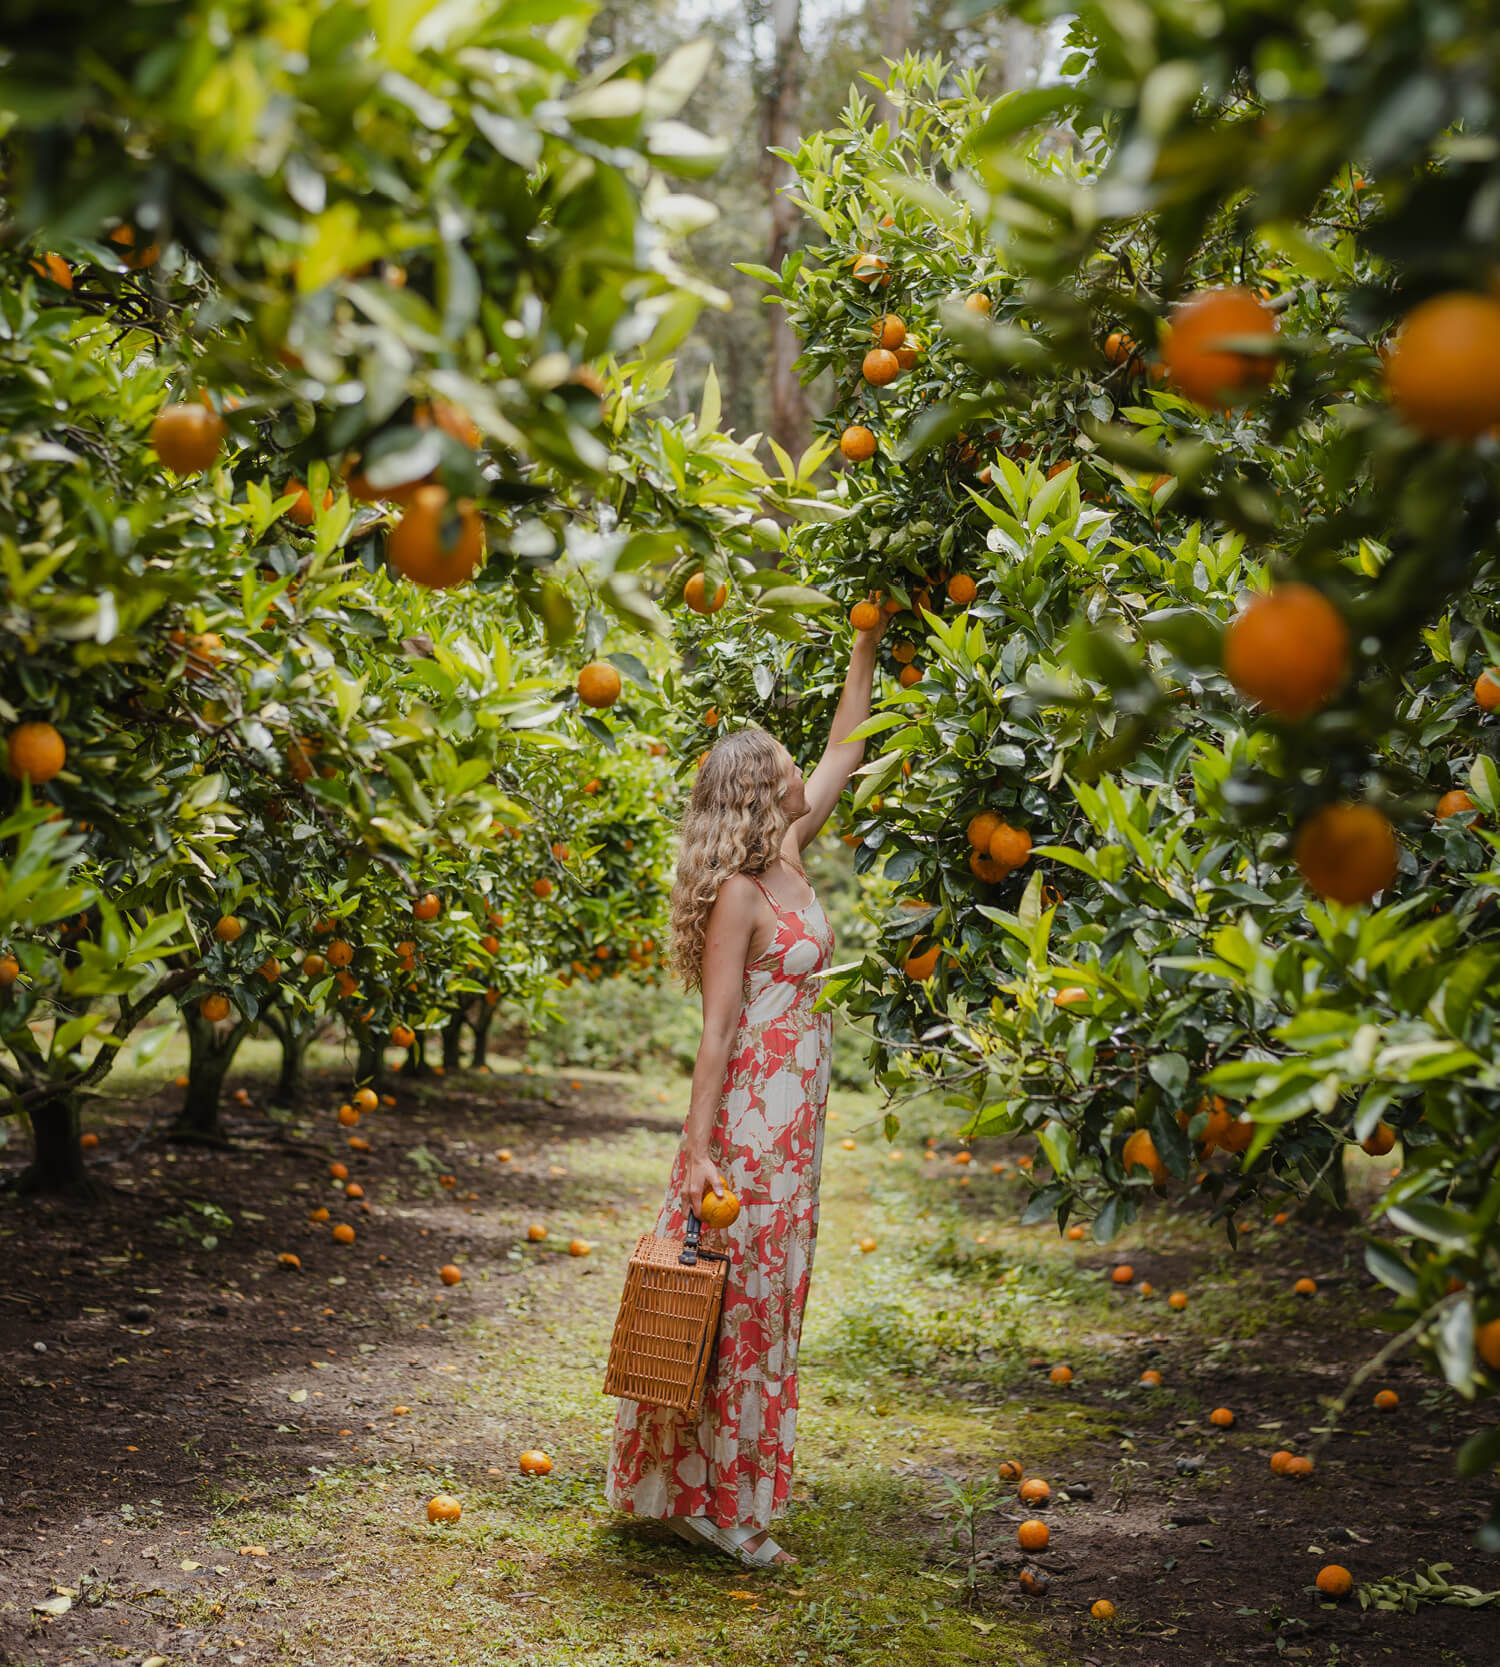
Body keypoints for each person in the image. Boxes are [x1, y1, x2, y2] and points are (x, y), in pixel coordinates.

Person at [605, 612, 887, 1567]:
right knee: (745, 1305)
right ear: (759, 788)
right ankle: (725, 1507)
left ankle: (712, 1495)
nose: (801, 764)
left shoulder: (793, 853)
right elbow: (718, 1028)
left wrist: (868, 640)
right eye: (782, 760)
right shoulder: (740, 892)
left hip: (797, 1119)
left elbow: (850, 736)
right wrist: (695, 1146)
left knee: (772, 1300)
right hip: (752, 1126)